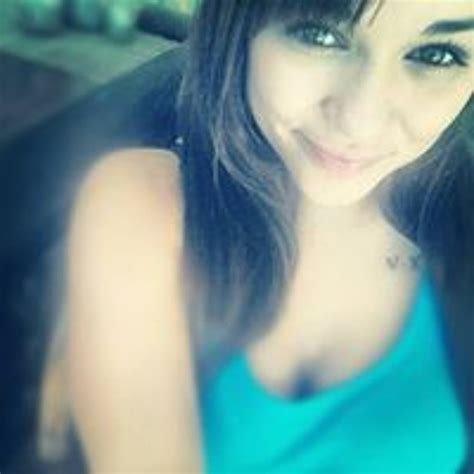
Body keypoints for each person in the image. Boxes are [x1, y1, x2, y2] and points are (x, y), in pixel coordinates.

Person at [57, 0, 473, 472]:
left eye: (438, 55)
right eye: (319, 34)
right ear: (237, 26)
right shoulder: (148, 203)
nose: (361, 121)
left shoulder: (460, 232)